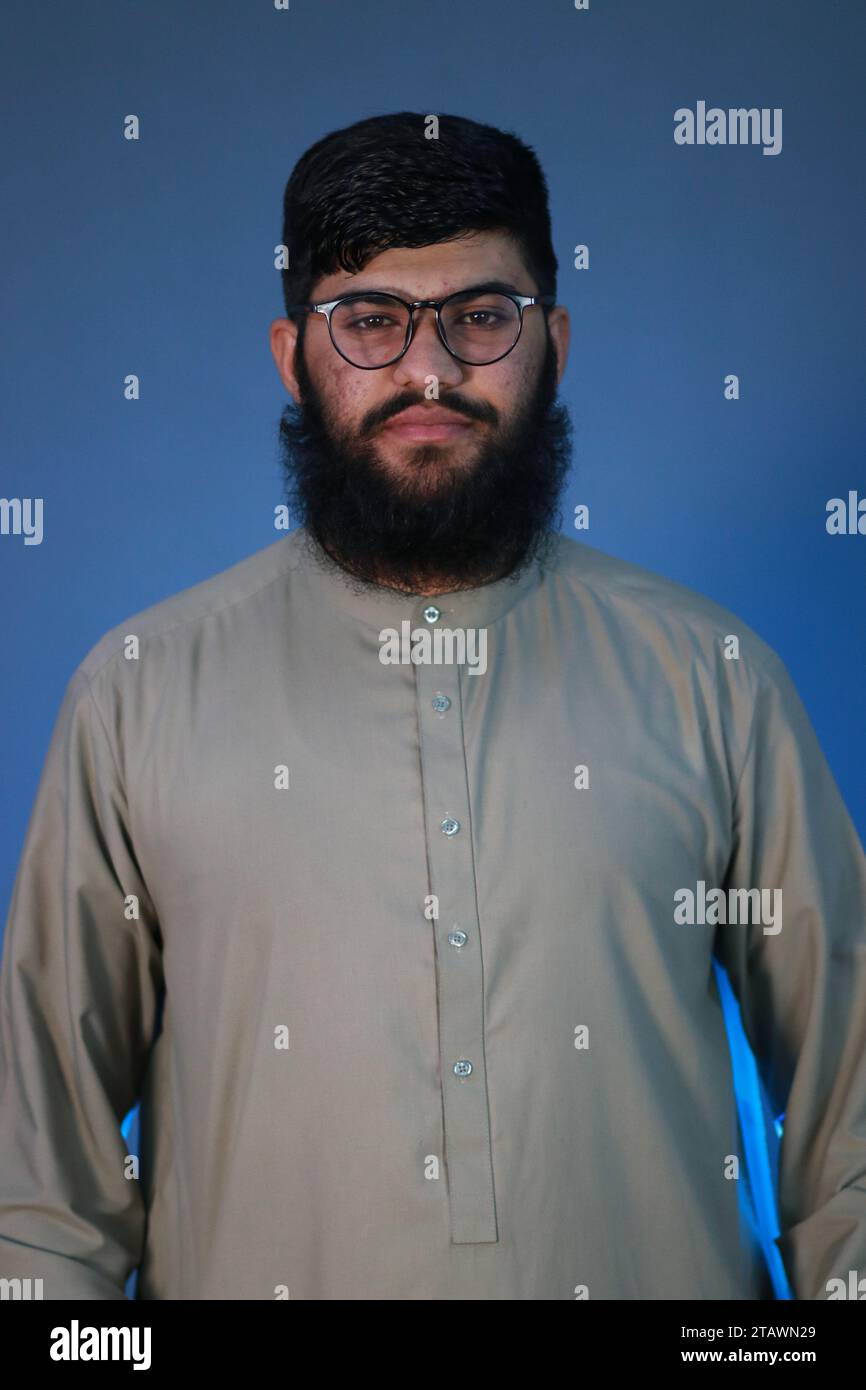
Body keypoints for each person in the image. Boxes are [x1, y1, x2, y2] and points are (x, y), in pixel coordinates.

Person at [1, 111, 864, 1302]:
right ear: (288, 354)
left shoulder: (712, 678)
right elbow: (37, 1186)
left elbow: (853, 1109)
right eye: (368, 320)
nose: (428, 371)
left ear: (552, 340)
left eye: (479, 317)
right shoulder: (139, 693)